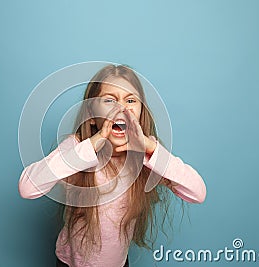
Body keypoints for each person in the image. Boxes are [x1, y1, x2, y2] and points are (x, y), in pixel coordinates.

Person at [18, 64, 207, 267]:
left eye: (131, 100)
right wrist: (89, 147)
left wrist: (150, 148)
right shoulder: (77, 148)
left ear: (140, 111)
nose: (121, 108)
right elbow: (27, 188)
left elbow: (197, 192)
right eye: (109, 100)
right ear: (91, 112)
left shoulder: (148, 156)